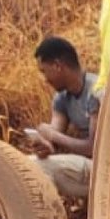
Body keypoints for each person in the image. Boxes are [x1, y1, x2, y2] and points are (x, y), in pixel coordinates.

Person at [24, 35, 98, 207]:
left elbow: (93, 146)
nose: (45, 79)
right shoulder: (62, 98)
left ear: (58, 66)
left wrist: (54, 136)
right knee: (27, 166)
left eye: (44, 71)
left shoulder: (96, 91)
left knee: (37, 168)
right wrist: (45, 145)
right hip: (87, 169)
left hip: (107, 167)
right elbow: (54, 134)